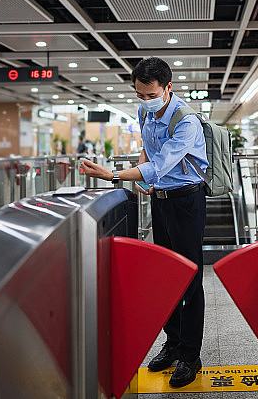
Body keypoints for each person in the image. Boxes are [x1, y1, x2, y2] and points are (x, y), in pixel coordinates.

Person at [81, 57, 208, 388]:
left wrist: (115, 175)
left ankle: (190, 355)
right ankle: (173, 343)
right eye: (139, 95)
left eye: (149, 95)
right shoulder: (144, 110)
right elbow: (149, 150)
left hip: (186, 201)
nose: (144, 101)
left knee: (190, 278)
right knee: (165, 274)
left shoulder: (186, 121)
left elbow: (163, 162)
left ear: (168, 88)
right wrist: (142, 169)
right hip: (161, 200)